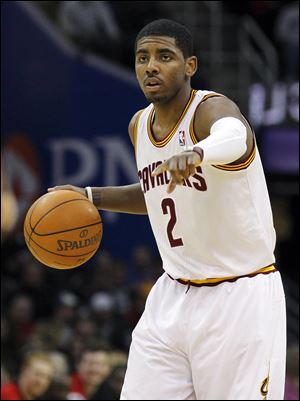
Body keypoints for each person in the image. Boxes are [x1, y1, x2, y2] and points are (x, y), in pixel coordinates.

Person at [48, 19, 287, 400]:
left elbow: (236, 137)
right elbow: (156, 195)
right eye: (142, 58)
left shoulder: (210, 109)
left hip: (239, 294)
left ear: (190, 65)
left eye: (165, 57)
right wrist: (90, 195)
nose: (151, 66)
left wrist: (197, 152)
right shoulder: (139, 125)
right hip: (173, 294)